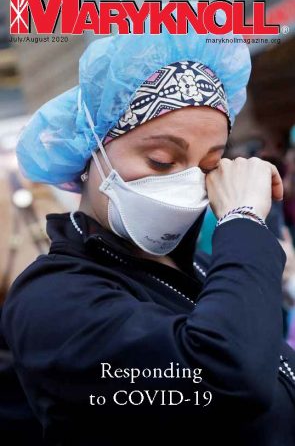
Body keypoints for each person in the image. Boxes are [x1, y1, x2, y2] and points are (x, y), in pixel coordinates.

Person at [1, 23, 295, 446]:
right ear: (92, 149)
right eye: (161, 160)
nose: (187, 182)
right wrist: (244, 221)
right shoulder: (53, 302)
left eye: (209, 164)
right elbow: (225, 376)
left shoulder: (198, 266)